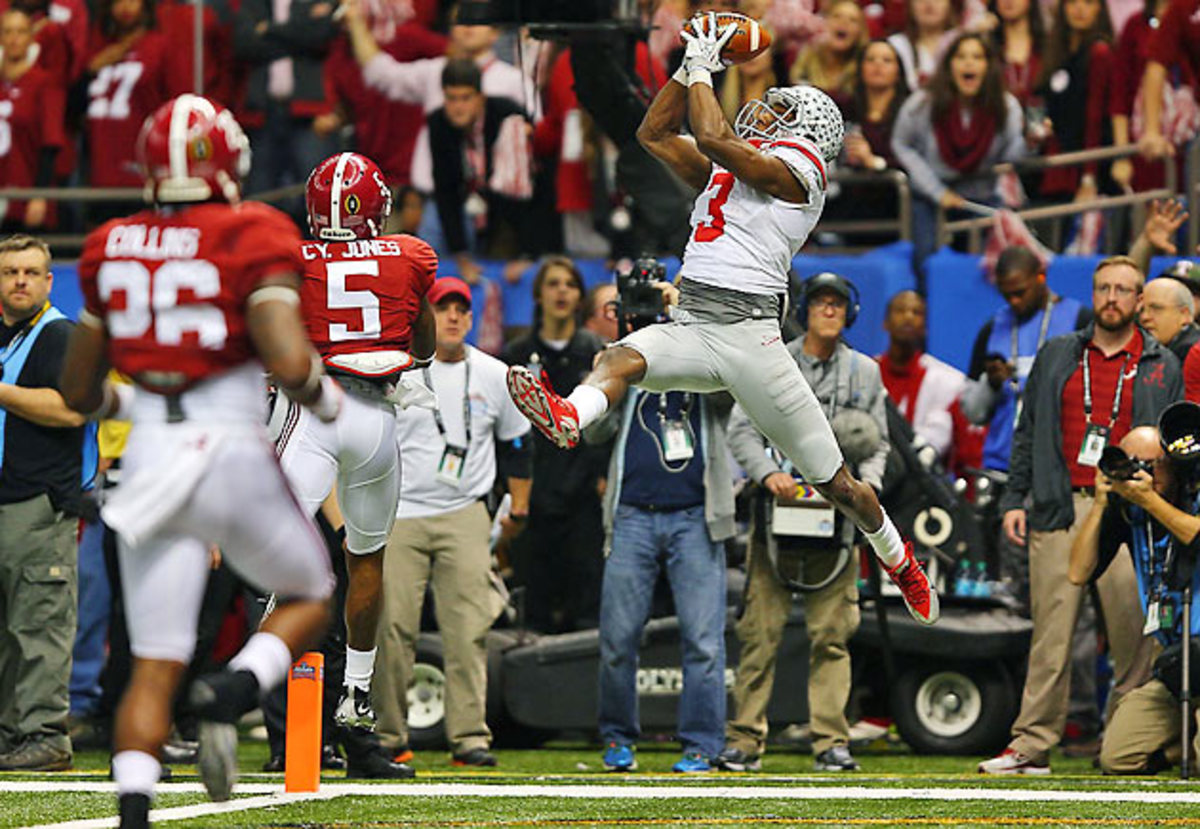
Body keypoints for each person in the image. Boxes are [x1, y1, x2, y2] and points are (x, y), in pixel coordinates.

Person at [504, 16, 939, 631]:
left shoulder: (800, 175)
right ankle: (571, 416)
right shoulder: (729, 170)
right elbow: (654, 133)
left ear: (807, 131)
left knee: (842, 486)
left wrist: (706, 62)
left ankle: (898, 559)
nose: (766, 111)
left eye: (781, 110)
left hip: (753, 341)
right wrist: (686, 70)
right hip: (695, 324)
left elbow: (711, 137)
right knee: (615, 358)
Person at [59, 94, 339, 827]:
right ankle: (237, 688)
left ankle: (132, 812)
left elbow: (79, 390)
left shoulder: (111, 242)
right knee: (310, 592)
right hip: (227, 446)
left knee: (153, 660)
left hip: (148, 459)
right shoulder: (253, 230)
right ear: (231, 163)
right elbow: (285, 354)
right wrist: (326, 398)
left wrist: (129, 408)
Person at [979, 256, 1181, 775]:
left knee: (1132, 636)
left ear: (1139, 302)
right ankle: (1030, 744)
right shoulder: (1058, 353)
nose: (1112, 298)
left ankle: (1121, 742)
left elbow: (1173, 451)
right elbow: (1025, 435)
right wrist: (1012, 501)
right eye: (1103, 288)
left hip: (1129, 510)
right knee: (1051, 632)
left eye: (1124, 290)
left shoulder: (1161, 363)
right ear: (1092, 295)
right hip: (1057, 502)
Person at [272, 150, 438, 777]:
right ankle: (356, 699)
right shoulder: (411, 254)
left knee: (274, 569)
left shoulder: (291, 255)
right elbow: (419, 347)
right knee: (365, 561)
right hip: (376, 419)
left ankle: (244, 690)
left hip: (311, 409)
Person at [718, 272, 889, 774]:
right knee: (759, 631)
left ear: (850, 313)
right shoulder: (772, 362)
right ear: (806, 311)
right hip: (778, 511)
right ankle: (745, 739)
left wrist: (866, 488)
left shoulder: (867, 373)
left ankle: (831, 741)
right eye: (821, 303)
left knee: (833, 633)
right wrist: (767, 473)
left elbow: (878, 443)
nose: (830, 311)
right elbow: (741, 430)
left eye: (838, 303)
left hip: (836, 517)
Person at [374, 276, 532, 768]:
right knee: (391, 627)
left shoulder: (494, 373)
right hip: (399, 511)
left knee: (468, 629)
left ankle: (469, 737)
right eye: (443, 308)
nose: (454, 317)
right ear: (426, 315)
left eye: (462, 309)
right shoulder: (397, 370)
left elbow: (519, 444)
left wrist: (519, 508)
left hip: (466, 509)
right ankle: (387, 736)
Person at [587, 362, 735, 773]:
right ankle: (618, 738)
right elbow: (592, 432)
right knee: (617, 639)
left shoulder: (703, 355)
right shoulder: (625, 359)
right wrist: (606, 374)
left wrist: (692, 343)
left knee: (704, 641)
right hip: (631, 516)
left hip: (697, 517)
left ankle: (703, 744)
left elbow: (730, 393)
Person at [0, 235, 90, 772]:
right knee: (9, 630)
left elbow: (72, 409)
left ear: (50, 281)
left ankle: (44, 733)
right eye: (11, 272)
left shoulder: (62, 335)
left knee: (37, 625)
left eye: (31, 272)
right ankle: (14, 733)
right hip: (7, 498)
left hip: (38, 503)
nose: (20, 281)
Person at [1067, 423, 1200, 774]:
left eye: (1149, 464)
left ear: (1173, 463)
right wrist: (1099, 505)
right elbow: (1078, 573)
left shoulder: (1192, 496)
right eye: (1130, 463)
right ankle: (1187, 742)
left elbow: (1195, 534)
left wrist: (1150, 500)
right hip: (1176, 661)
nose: (1139, 472)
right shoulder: (1131, 514)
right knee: (1118, 757)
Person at [502, 256, 609, 633]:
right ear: (537, 295)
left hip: (584, 495)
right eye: (553, 283)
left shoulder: (596, 351)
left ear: (580, 296)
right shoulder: (515, 355)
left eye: (570, 284)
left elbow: (607, 421)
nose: (561, 290)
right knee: (536, 606)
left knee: (588, 604)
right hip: (534, 493)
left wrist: (602, 474)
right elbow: (505, 428)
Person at [890, 32, 1026, 275]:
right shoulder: (923, 103)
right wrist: (937, 192)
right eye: (961, 56)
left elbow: (1011, 157)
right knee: (927, 264)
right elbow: (901, 143)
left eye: (977, 57)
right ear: (949, 65)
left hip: (982, 194)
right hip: (932, 196)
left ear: (989, 66)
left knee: (992, 267)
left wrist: (1031, 141)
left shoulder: (1006, 106)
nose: (969, 63)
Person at [961, 246, 1091, 478]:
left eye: (1020, 292)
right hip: (1001, 468)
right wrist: (990, 384)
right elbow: (973, 413)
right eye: (1006, 294)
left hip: (1058, 466)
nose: (1014, 301)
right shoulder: (992, 330)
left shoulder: (1079, 320)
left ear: (1041, 276)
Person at [877, 290, 967, 467]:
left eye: (916, 312)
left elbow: (945, 438)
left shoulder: (947, 381)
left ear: (925, 327)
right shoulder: (865, 374)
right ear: (885, 323)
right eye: (900, 310)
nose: (908, 317)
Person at [0, 8, 65, 232]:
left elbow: (50, 143)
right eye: (7, 31)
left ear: (31, 37)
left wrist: (39, 195)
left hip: (25, 196)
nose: (14, 39)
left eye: (20, 31)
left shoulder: (44, 83)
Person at [1141, 277, 1200, 364]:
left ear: (1184, 314)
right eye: (1141, 310)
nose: (1144, 317)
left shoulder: (1195, 357)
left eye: (1157, 308)